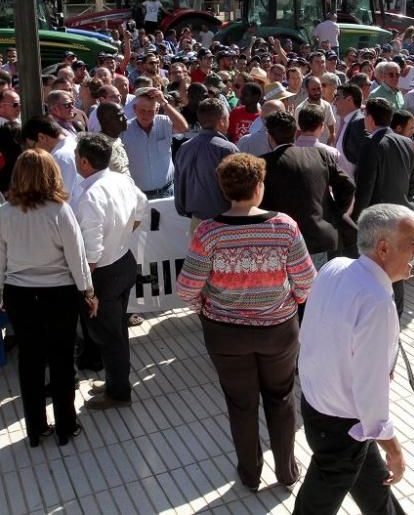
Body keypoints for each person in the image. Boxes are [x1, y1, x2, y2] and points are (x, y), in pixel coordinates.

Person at [176, 154, 316, 491]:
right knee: (281, 398)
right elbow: (307, 281)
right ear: (258, 186)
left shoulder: (208, 232)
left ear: (226, 190)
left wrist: (205, 308)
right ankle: (286, 471)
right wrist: (289, 304)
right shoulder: (284, 226)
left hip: (225, 335)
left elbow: (186, 289)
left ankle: (250, 473)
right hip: (279, 331)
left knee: (240, 403)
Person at [294, 204, 414, 515]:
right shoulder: (376, 302)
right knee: (316, 505)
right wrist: (394, 448)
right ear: (383, 248)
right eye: (412, 243)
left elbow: (309, 333)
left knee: (375, 488)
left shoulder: (335, 267)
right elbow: (371, 394)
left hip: (315, 406)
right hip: (343, 424)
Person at [0, 149, 95, 447]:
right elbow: (77, 258)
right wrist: (87, 291)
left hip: (19, 293)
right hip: (58, 293)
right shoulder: (60, 211)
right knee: (62, 359)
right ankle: (66, 424)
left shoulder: (3, 214)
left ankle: (36, 428)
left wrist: (1, 291)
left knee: (30, 361)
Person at [71, 134, 148, 410]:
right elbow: (142, 208)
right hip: (123, 262)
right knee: (115, 332)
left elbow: (91, 251)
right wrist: (124, 234)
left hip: (102, 273)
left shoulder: (89, 196)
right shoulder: (121, 180)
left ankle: (118, 393)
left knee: (109, 335)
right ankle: (117, 381)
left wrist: (87, 289)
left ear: (83, 160)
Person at [261, 111, 355, 273]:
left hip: (280, 242)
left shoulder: (262, 164)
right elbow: (347, 186)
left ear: (270, 137)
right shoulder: (320, 155)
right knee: (316, 291)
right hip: (317, 237)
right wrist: (334, 212)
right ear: (294, 131)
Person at [352, 97, 414, 318]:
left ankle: (381, 316)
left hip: (378, 220)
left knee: (378, 269)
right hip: (402, 213)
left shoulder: (372, 145)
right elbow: (413, 182)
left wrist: (357, 218)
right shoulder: (406, 142)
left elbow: (365, 186)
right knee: (397, 269)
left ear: (370, 119)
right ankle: (395, 316)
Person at [174, 98, 238, 227]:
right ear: (222, 121)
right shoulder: (228, 149)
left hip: (197, 222)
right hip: (225, 224)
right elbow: (237, 191)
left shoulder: (185, 148)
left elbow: (179, 185)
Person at [122, 87, 187, 198]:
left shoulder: (164, 122)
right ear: (134, 108)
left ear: (157, 110)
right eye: (142, 110)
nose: (146, 115)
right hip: (138, 196)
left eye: (150, 111)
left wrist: (164, 103)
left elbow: (183, 128)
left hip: (167, 192)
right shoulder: (124, 129)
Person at [21, 115, 80, 196]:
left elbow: (63, 196)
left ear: (41, 137)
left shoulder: (59, 157)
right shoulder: (72, 143)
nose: (34, 152)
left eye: (33, 146)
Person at [333, 83, 366, 176]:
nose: (334, 102)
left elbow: (362, 162)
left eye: (337, 98)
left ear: (349, 99)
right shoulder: (347, 122)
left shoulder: (358, 123)